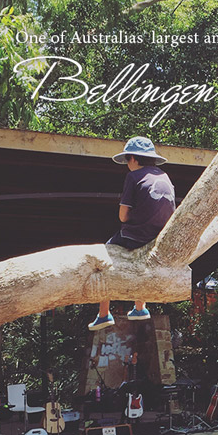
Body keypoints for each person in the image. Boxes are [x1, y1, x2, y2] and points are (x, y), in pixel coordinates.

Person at [88, 136, 176, 331]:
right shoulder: (164, 176)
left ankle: (103, 314)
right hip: (159, 237)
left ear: (134, 159)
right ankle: (140, 307)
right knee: (141, 262)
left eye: (127, 159)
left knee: (104, 257)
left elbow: (123, 216)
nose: (127, 164)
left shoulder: (134, 177)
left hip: (136, 234)